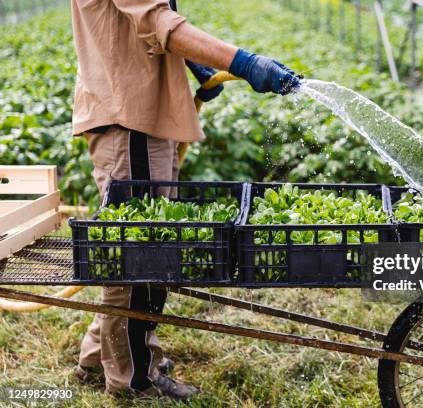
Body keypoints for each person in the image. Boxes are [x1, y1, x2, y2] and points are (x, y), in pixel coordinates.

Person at [70, 0, 299, 400]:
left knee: (136, 250)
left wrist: (192, 64)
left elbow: (140, 25)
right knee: (141, 255)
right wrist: (244, 61)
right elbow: (159, 22)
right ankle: (134, 379)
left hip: (139, 114)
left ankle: (99, 357)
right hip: (131, 118)